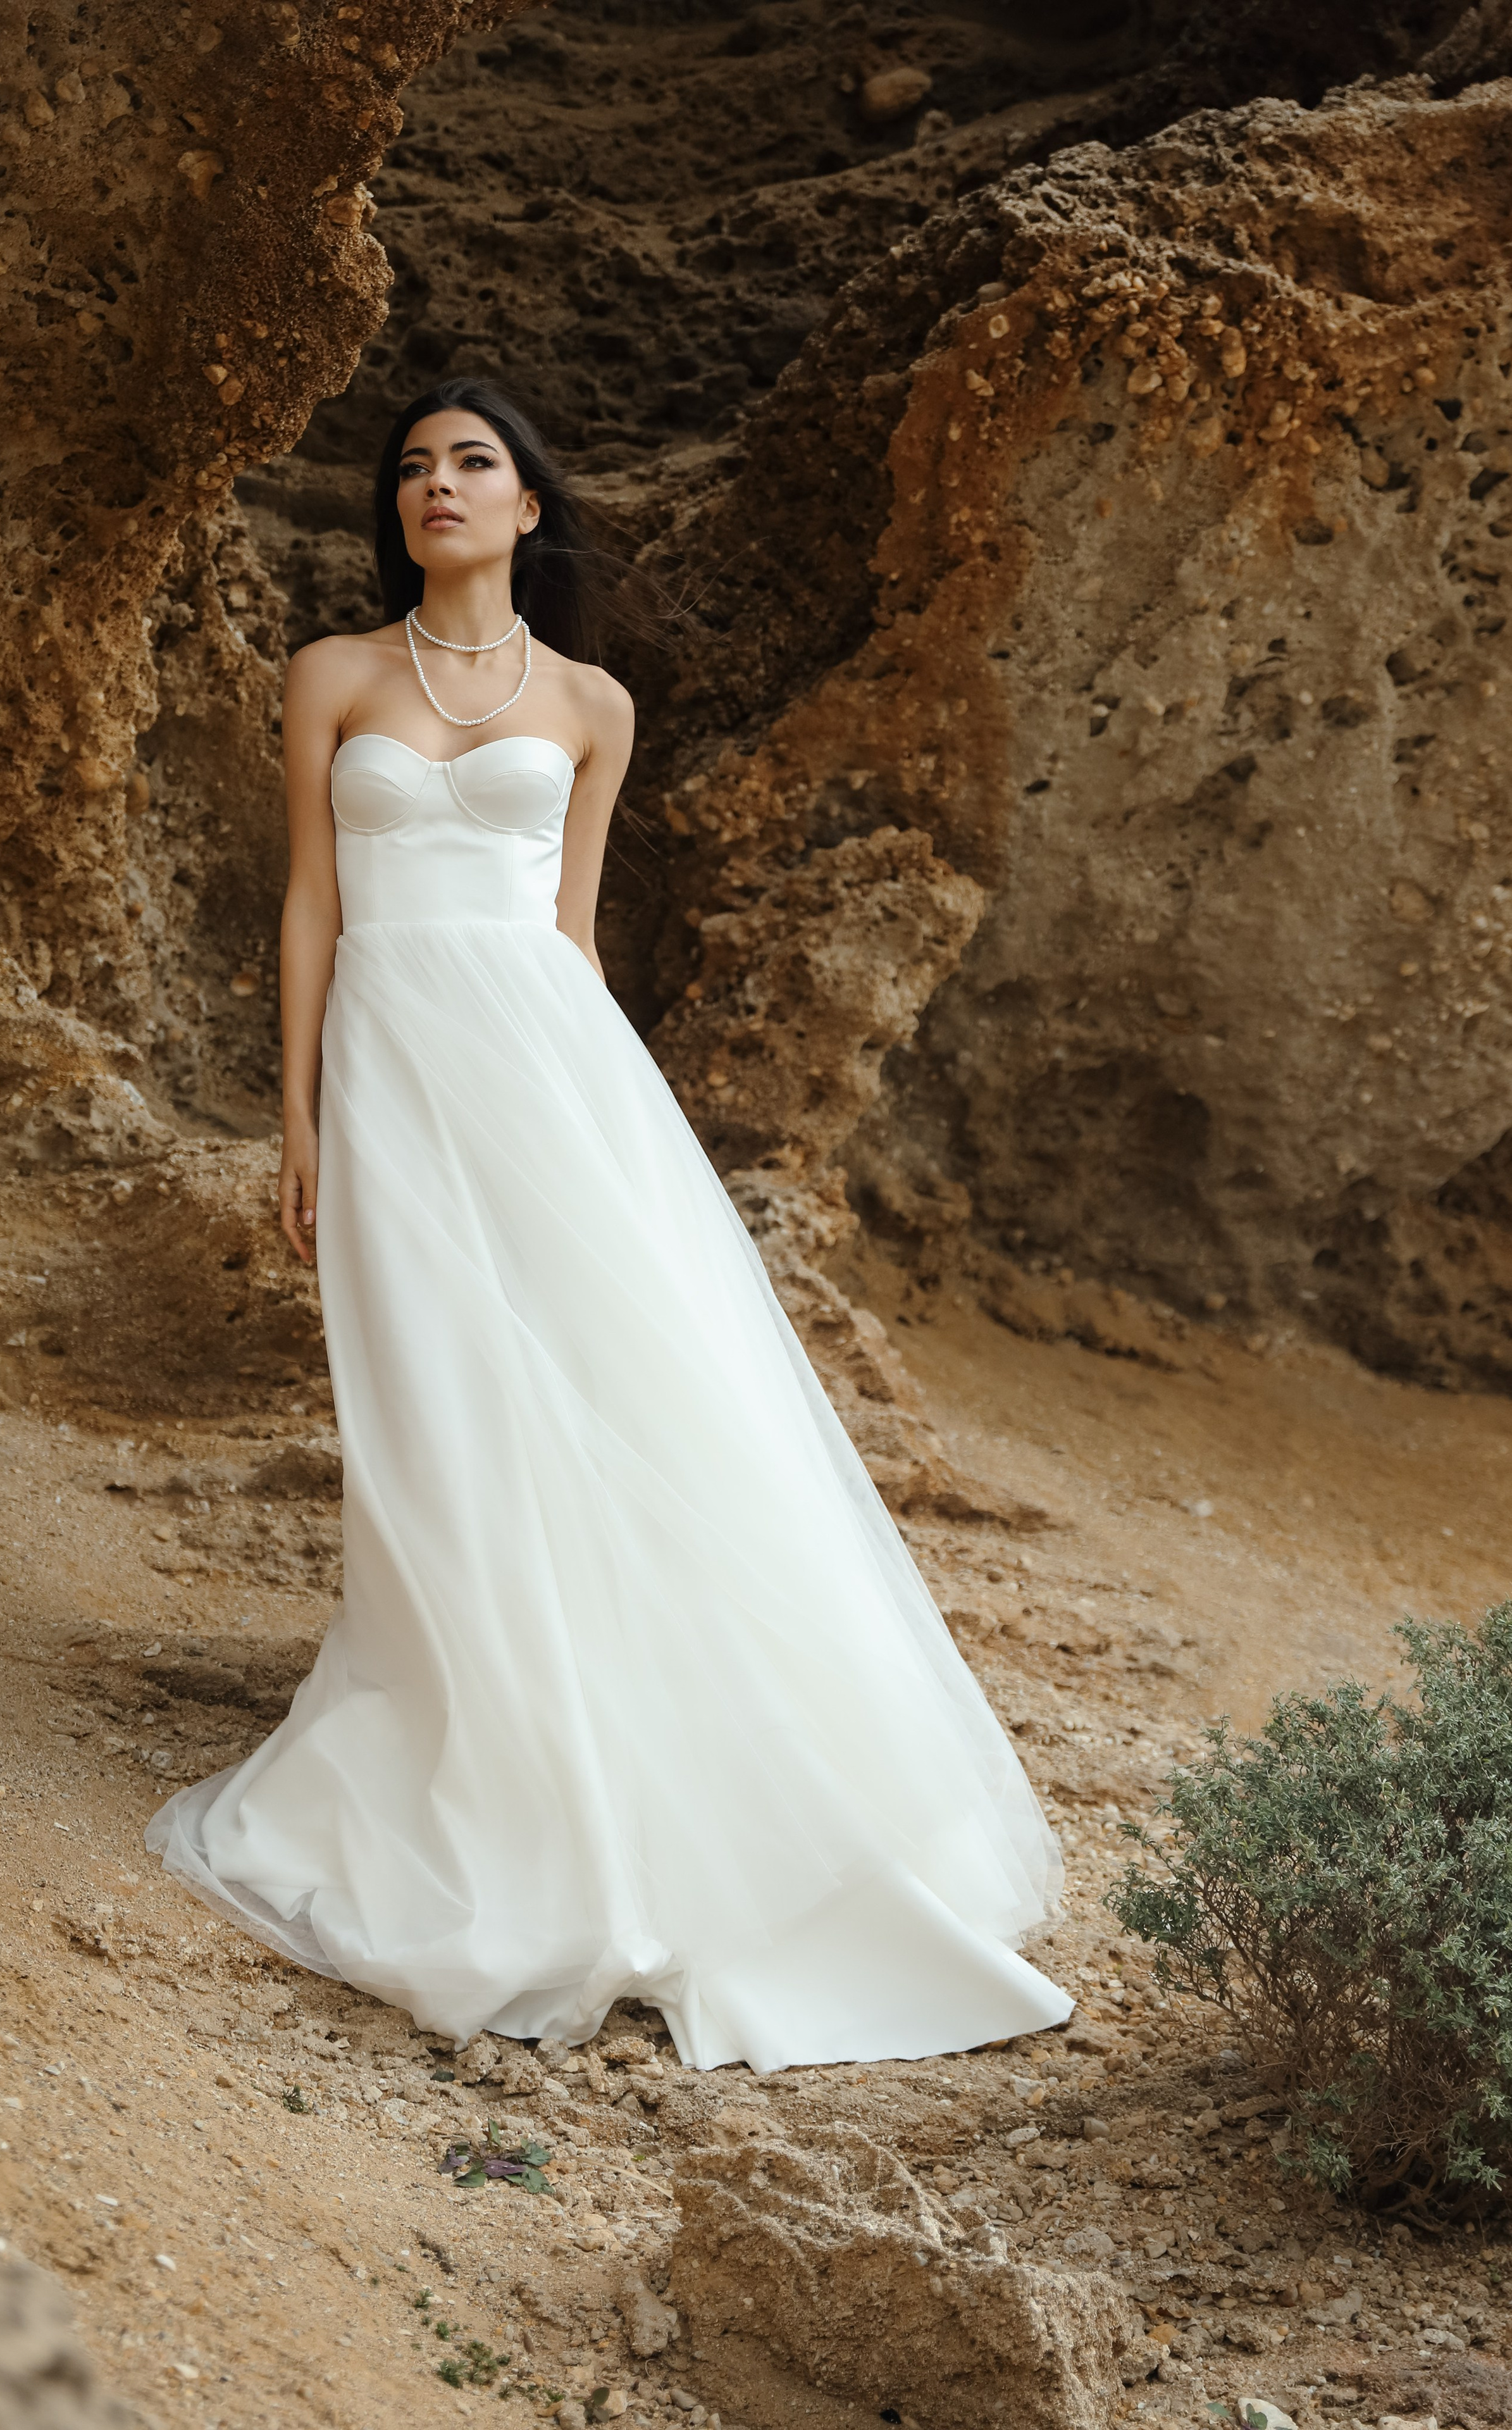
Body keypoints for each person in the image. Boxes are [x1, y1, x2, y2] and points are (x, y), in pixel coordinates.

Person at [146, 377, 1070, 2072]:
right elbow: (311, 899)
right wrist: (296, 1112)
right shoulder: (333, 677)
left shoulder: (591, 705)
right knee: (429, 1417)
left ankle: (649, 1767)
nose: (437, 484)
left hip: (552, 1084)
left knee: (616, 1404)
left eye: (470, 463)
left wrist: (620, 1146)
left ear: (526, 507)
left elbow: (570, 934)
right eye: (413, 467)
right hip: (391, 1076)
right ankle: (475, 1736)